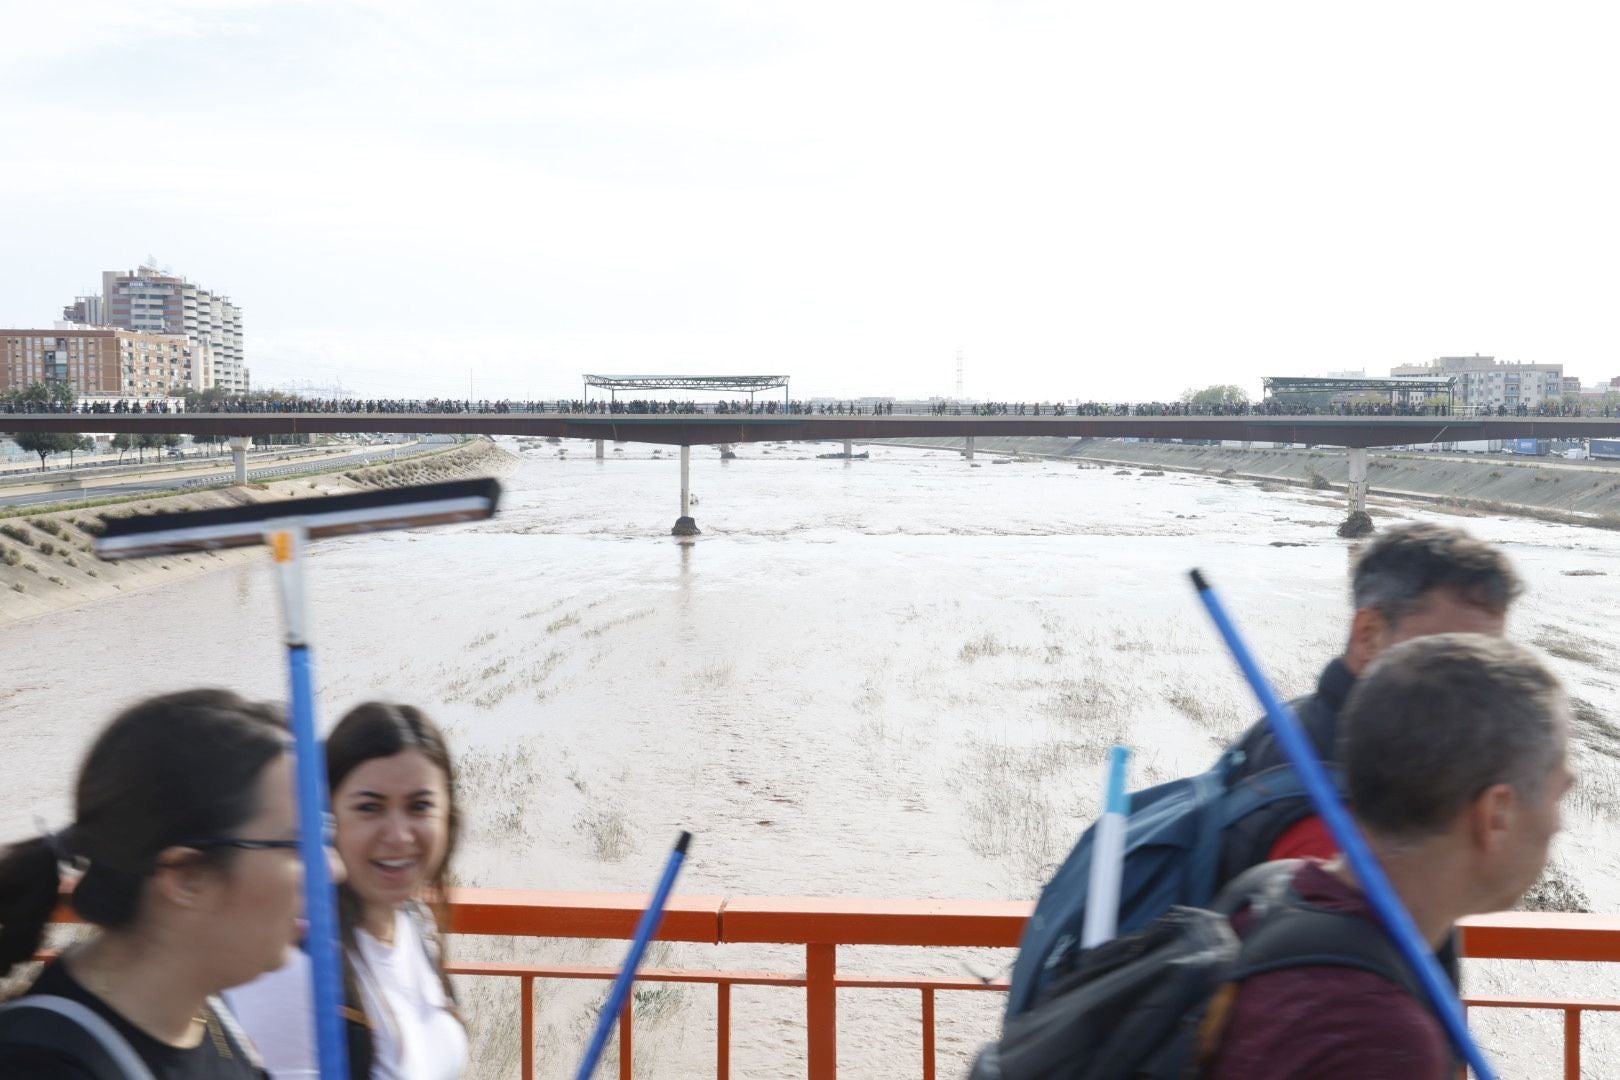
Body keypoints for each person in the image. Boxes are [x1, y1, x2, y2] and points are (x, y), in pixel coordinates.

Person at [1207, 633, 1574, 1078]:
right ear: (1496, 815)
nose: (1559, 825)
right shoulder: (1377, 1039)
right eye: (1559, 794)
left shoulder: (1274, 890)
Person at [0, 688, 324, 1078]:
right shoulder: (42, 1066)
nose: (331, 868)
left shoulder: (208, 1019)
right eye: (296, 844)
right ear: (187, 877)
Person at [1218, 522, 1523, 882]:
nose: (1480, 692)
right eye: (1453, 658)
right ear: (1369, 635)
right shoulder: (1337, 823)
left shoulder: (1303, 724)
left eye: (1490, 665)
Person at [227, 703, 466, 1079]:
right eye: (370, 807)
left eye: (420, 806)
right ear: (324, 817)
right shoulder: (295, 970)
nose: (399, 835)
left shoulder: (413, 925)